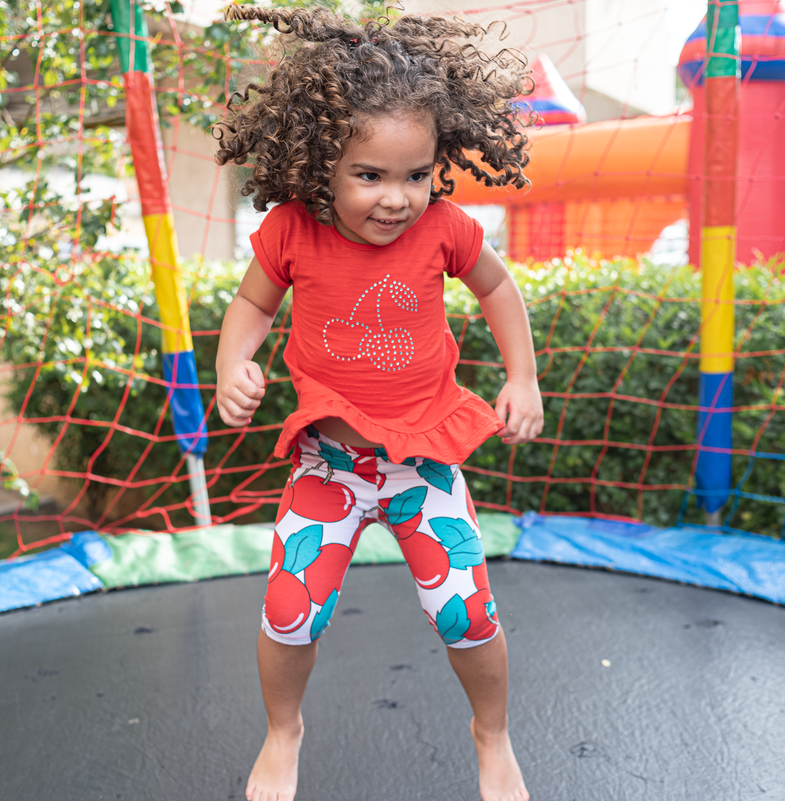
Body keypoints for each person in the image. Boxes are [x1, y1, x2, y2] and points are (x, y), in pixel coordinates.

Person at [212, 7, 541, 801]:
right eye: (371, 176)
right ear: (323, 162)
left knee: (465, 613)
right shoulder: (292, 231)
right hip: (331, 462)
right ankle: (283, 731)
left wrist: (522, 375)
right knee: (290, 610)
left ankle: (491, 735)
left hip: (425, 458)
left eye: (417, 174)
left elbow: (498, 287)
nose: (397, 198)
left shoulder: (447, 229)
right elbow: (252, 307)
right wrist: (234, 362)